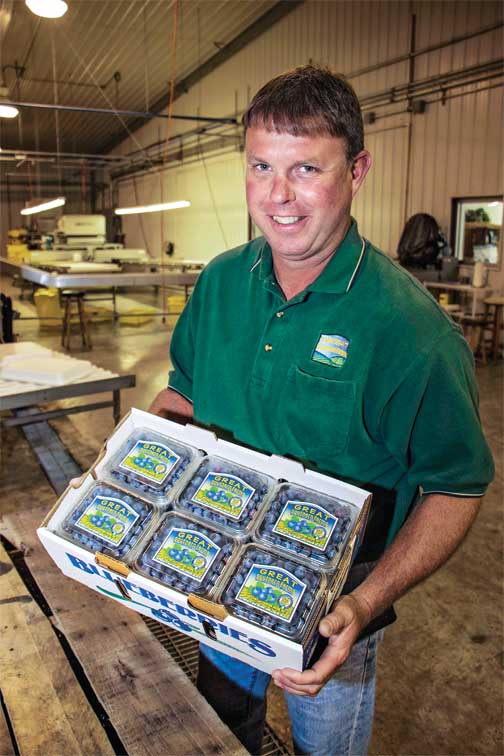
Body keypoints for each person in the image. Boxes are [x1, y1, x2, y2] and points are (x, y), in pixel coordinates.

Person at [149, 65, 494, 756]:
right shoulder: (220, 283)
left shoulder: (410, 331)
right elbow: (184, 392)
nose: (279, 196)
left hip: (332, 607)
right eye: (261, 167)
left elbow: (455, 485)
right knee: (222, 729)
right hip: (213, 566)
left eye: (308, 168)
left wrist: (363, 606)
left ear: (356, 170)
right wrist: (131, 472)